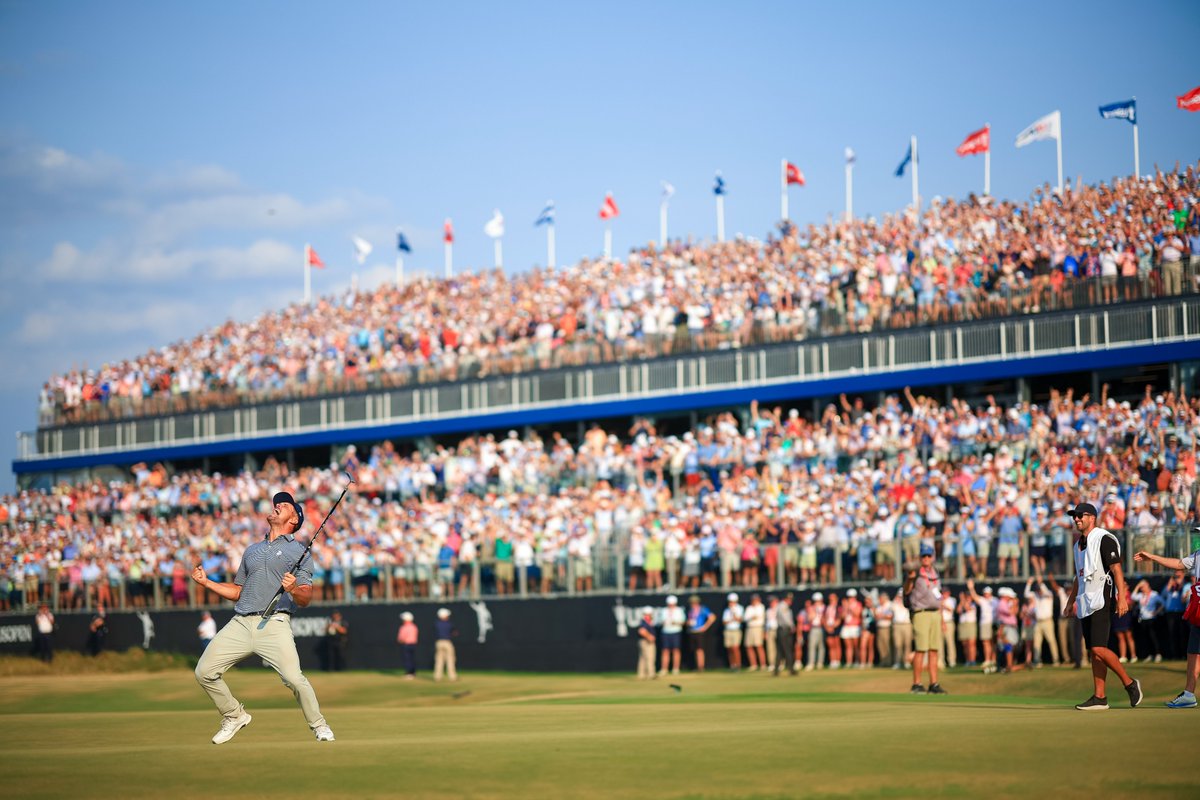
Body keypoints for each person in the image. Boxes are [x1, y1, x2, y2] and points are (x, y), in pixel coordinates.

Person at [191, 490, 335, 743]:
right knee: (204, 671)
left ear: (294, 519)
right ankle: (234, 715)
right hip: (240, 622)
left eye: (285, 505)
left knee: (294, 679)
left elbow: (305, 597)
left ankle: (319, 725)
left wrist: (293, 589)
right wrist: (207, 583)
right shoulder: (252, 551)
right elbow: (238, 591)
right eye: (277, 503)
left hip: (274, 623)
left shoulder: (299, 551)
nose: (277, 505)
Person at [1063, 503, 1142, 711]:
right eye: (1074, 516)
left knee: (1098, 647)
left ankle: (1130, 684)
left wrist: (1121, 597)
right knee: (1094, 651)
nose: (1076, 519)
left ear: (1092, 517)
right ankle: (1100, 697)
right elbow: (1078, 577)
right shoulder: (1077, 545)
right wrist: (1070, 602)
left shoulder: (1104, 538)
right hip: (1085, 600)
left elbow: (1116, 570)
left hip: (1102, 597)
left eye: (1080, 515)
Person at [1134, 539, 1200, 708]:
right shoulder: (1198, 555)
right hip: (1198, 610)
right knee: (1193, 652)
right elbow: (1179, 563)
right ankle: (1189, 694)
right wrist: (1152, 557)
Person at [903, 542, 947, 694]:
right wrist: (910, 579)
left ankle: (934, 683)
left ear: (933, 557)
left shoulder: (935, 572)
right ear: (920, 557)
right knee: (921, 649)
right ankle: (917, 683)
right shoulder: (916, 572)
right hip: (921, 612)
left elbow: (939, 596)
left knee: (934, 649)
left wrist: (942, 618)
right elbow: (907, 591)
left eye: (929, 555)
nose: (926, 558)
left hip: (935, 613)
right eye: (924, 556)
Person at [685, 594, 715, 672]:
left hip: (699, 632)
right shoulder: (690, 610)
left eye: (693, 602)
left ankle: (701, 667)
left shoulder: (703, 609)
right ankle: (696, 666)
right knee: (694, 650)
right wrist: (688, 623)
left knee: (699, 650)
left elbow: (712, 617)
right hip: (692, 631)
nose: (692, 604)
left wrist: (704, 627)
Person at [659, 595, 686, 675]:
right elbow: (659, 621)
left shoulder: (679, 610)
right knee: (665, 651)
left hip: (676, 632)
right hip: (665, 632)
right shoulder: (664, 610)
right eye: (669, 604)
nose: (671, 605)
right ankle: (664, 669)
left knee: (676, 650)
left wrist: (676, 622)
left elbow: (683, 621)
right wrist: (663, 622)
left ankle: (675, 668)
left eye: (672, 604)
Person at [773, 593, 797, 676]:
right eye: (789, 599)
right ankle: (791, 669)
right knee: (787, 650)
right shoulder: (783, 606)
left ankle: (776, 670)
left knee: (780, 651)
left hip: (782, 630)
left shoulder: (782, 606)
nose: (790, 601)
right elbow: (786, 618)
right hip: (784, 629)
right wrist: (792, 626)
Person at [433, 607, 458, 681]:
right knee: (450, 659)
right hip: (447, 642)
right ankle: (452, 676)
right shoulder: (449, 624)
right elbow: (454, 632)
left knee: (439, 660)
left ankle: (437, 676)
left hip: (438, 642)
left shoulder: (437, 624)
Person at [743, 594, 766, 671]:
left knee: (759, 646)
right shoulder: (749, 608)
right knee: (749, 646)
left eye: (756, 599)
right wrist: (752, 617)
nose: (754, 601)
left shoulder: (761, 607)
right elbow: (745, 618)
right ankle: (753, 665)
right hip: (749, 628)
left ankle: (763, 664)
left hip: (757, 628)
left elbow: (757, 616)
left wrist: (751, 617)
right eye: (753, 599)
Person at [722, 592, 744, 670]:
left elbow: (740, 619)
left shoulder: (740, 608)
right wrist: (731, 619)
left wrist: (734, 615)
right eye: (730, 601)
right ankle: (732, 665)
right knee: (729, 648)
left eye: (732, 601)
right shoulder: (726, 610)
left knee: (735, 648)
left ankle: (738, 665)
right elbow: (724, 622)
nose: (731, 603)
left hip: (736, 630)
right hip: (728, 630)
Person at [636, 606, 657, 680]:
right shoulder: (644, 622)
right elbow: (641, 631)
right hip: (646, 642)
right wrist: (649, 637)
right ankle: (651, 674)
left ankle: (641, 674)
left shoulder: (646, 621)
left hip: (643, 641)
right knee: (649, 657)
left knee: (643, 658)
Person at [397, 611, 418, 679]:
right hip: (413, 644)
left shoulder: (404, 627)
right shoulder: (414, 626)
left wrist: (400, 640)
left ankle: (409, 673)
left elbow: (401, 638)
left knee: (408, 659)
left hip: (406, 645)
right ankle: (412, 673)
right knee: (412, 659)